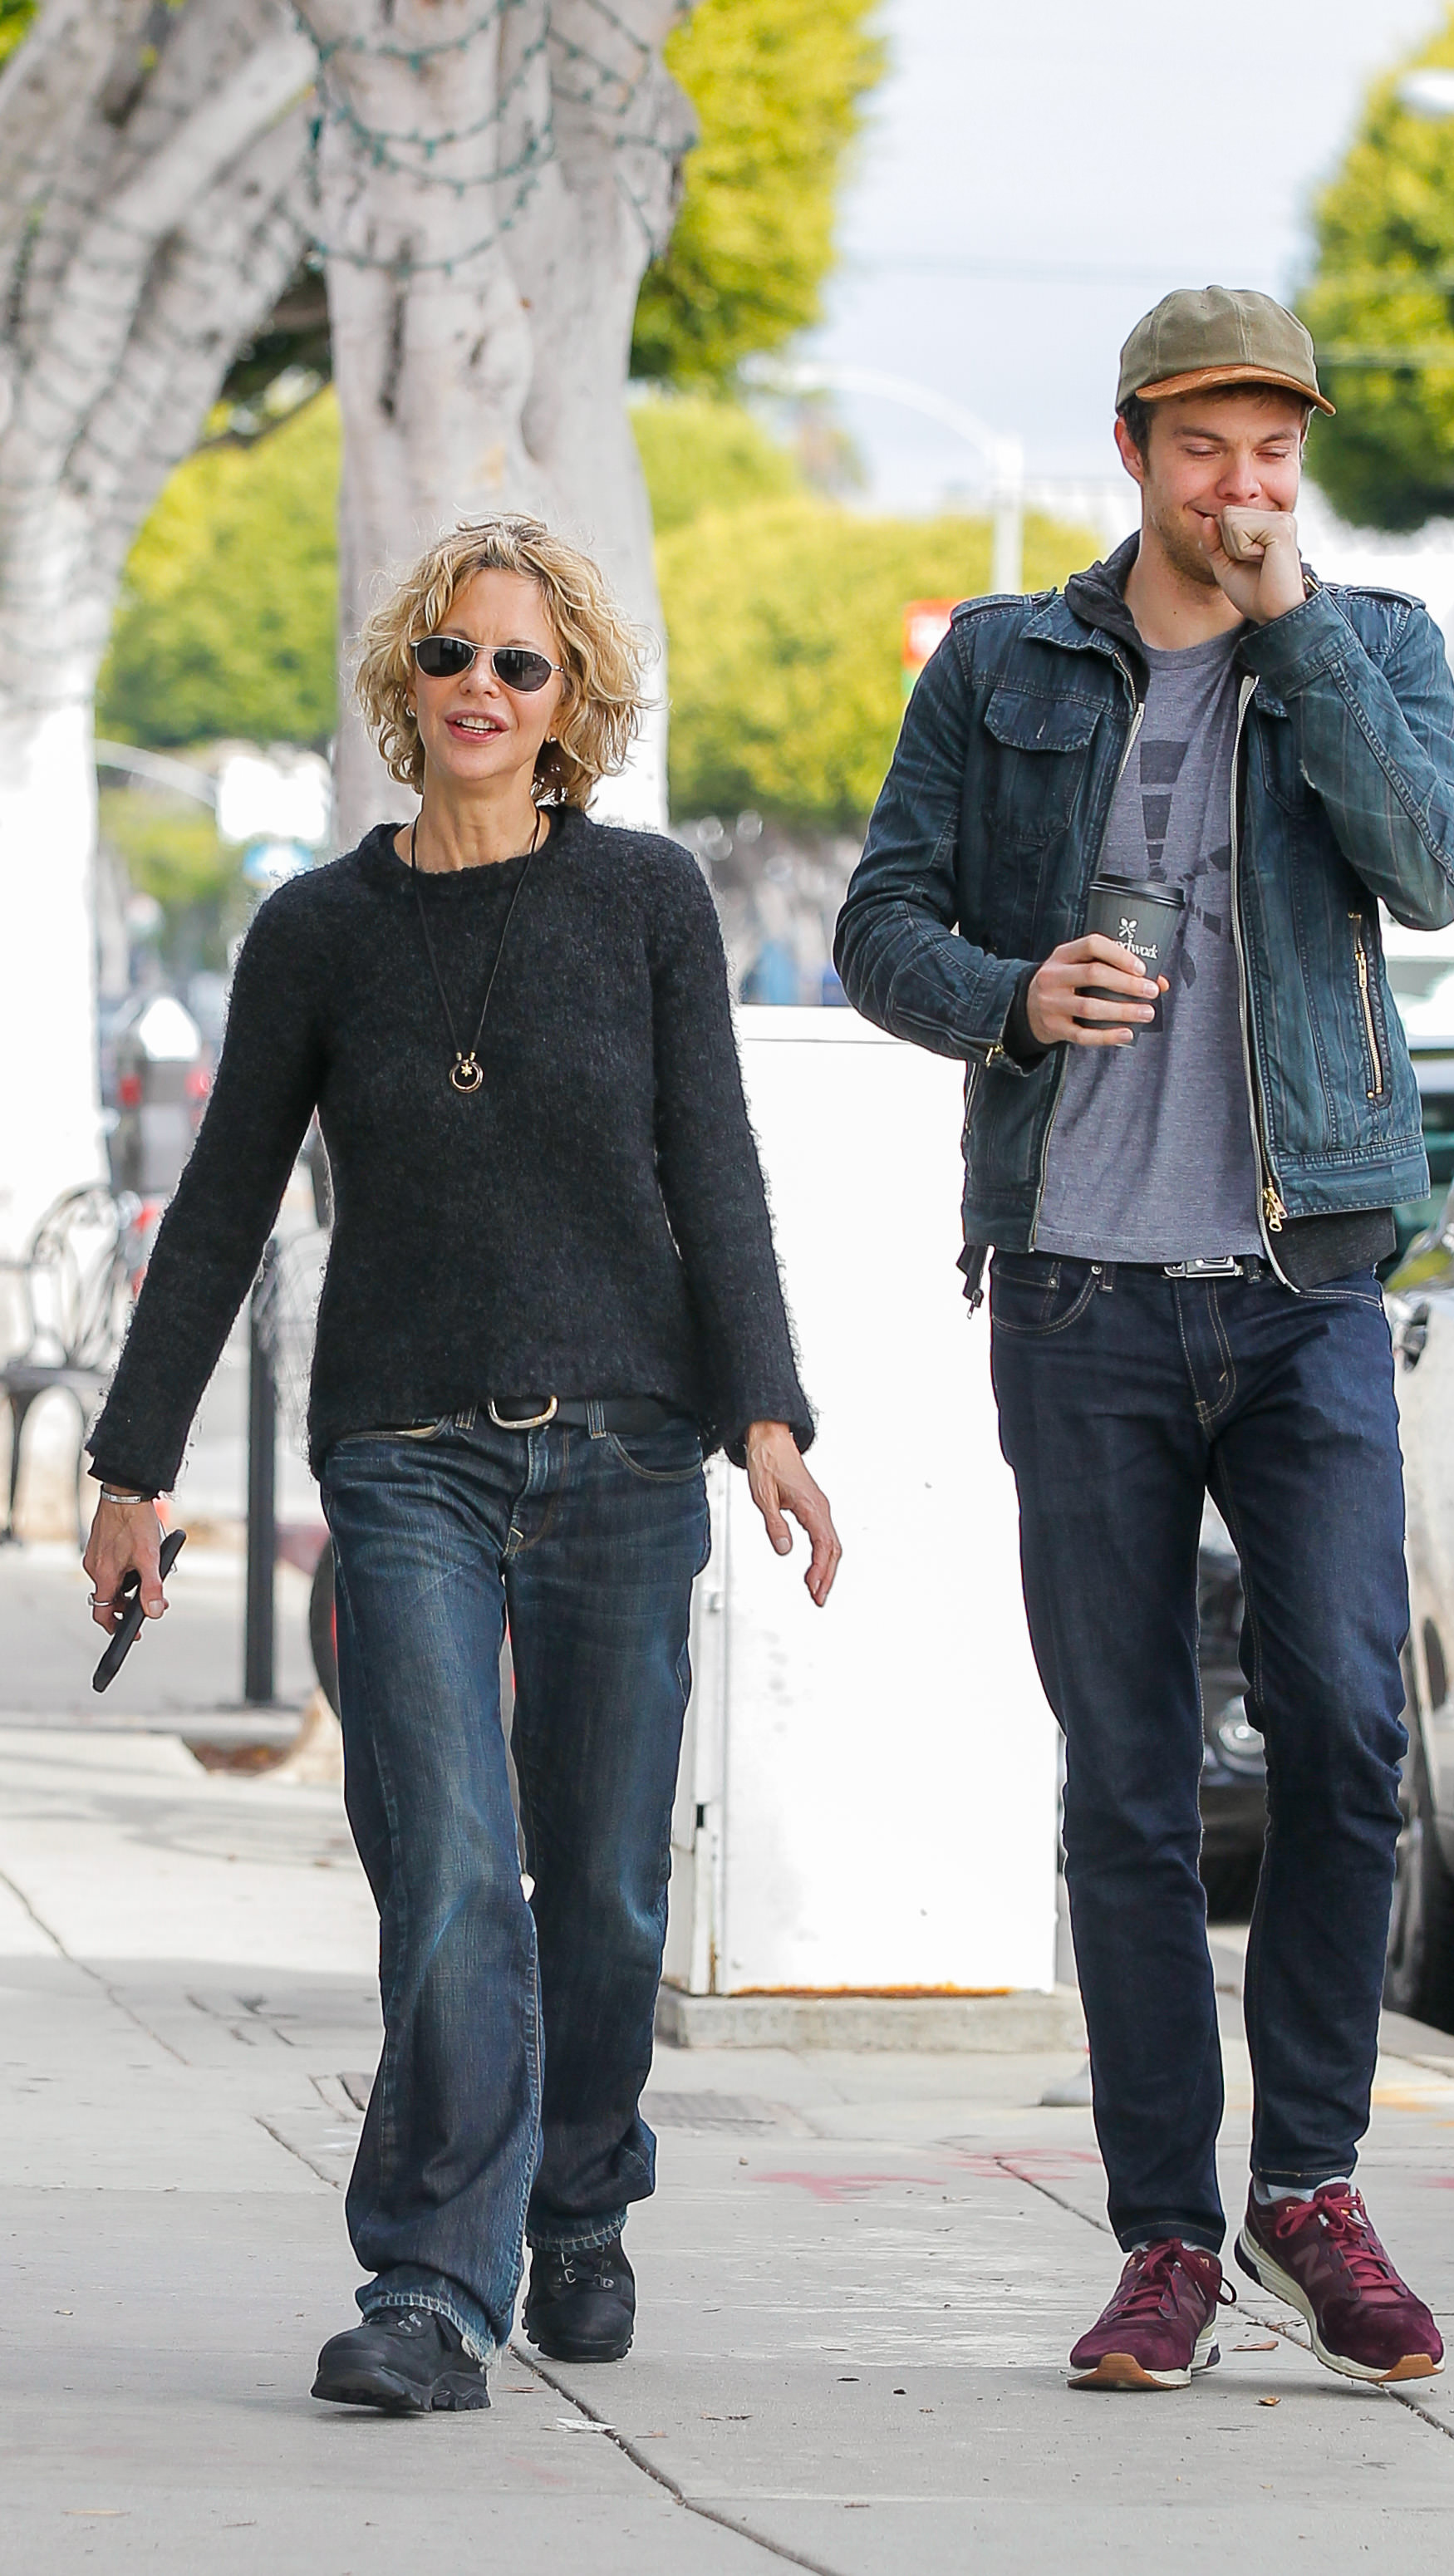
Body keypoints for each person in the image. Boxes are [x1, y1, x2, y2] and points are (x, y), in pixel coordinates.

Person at [84, 514, 839, 2416]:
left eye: (522, 663)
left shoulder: (651, 902)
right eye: (451, 657)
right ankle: (432, 2272)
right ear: (401, 686)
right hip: (406, 1450)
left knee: (597, 1888)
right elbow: (224, 1205)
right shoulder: (319, 931)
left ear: (571, 696)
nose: (482, 690)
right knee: (446, 1876)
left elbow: (713, 1174)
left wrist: (766, 1414)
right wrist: (132, 1463)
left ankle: (581, 2191)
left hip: (623, 1446)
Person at [834, 288, 1454, 2392]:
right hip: (1079, 1292)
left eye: (1275, 448)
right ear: (1133, 450)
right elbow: (878, 920)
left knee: (1345, 1731)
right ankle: (1162, 2235)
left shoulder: (1368, 647)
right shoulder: (1003, 665)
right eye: (1208, 449)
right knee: (1123, 1787)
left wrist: (1294, 629)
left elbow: (1436, 867)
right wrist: (1008, 993)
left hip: (1302, 1286)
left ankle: (1309, 2182)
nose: (1247, 485)